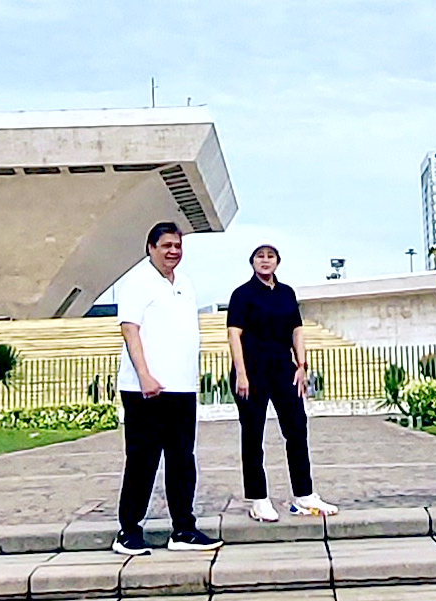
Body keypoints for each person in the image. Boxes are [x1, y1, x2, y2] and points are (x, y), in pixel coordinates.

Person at [111, 220, 217, 555]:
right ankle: (128, 530)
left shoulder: (184, 283)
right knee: (142, 460)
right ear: (151, 248)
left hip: (181, 389)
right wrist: (144, 374)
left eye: (177, 246)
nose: (173, 252)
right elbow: (130, 329)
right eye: (166, 246)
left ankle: (183, 528)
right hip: (147, 388)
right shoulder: (137, 281)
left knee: (182, 459)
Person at [226, 243, 335, 521]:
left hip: (283, 369)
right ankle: (259, 498)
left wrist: (302, 365)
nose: (265, 261)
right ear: (252, 261)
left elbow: (297, 331)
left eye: (270, 256)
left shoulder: (287, 293)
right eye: (260, 256)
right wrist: (241, 372)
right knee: (253, 434)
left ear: (277, 262)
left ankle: (304, 495)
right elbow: (234, 334)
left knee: (297, 428)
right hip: (251, 371)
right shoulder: (242, 294)